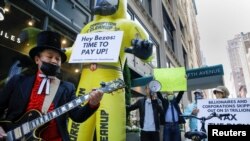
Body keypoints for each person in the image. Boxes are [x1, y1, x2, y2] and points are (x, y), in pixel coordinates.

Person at [0, 30, 103, 141]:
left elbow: (77, 116)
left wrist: (92, 104)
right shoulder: (18, 81)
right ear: (37, 59)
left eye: (57, 59)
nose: (54, 61)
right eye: (49, 57)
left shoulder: (67, 88)